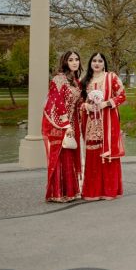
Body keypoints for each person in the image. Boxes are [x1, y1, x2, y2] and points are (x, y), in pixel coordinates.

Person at [80, 52, 126, 201]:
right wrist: (86, 106)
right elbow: (79, 102)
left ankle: (109, 190)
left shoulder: (111, 77)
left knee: (107, 155)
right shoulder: (85, 80)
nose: (97, 63)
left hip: (108, 121)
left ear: (104, 63)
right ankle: (93, 191)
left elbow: (122, 96)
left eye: (100, 61)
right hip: (91, 122)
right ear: (90, 63)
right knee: (92, 154)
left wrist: (106, 103)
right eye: (94, 60)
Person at [42, 50, 83, 203]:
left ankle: (70, 192)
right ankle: (57, 193)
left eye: (76, 59)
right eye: (71, 59)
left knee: (69, 155)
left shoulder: (75, 81)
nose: (74, 62)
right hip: (58, 122)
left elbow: (77, 102)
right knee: (60, 156)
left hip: (71, 121)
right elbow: (57, 101)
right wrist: (66, 124)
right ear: (65, 62)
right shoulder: (59, 79)